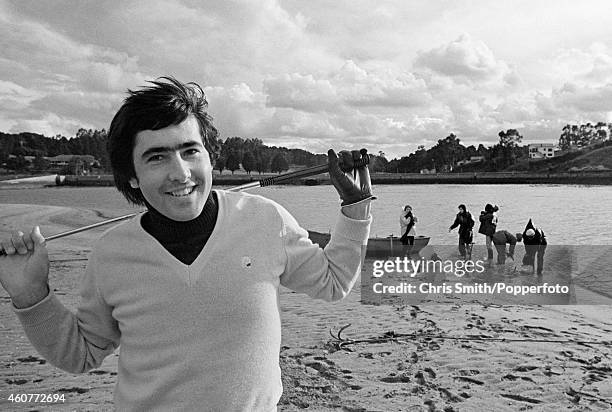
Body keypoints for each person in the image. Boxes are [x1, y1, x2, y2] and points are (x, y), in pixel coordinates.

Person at [0, 77, 374, 411]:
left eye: (190, 150)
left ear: (210, 157)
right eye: (157, 156)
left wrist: (355, 210)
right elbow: (80, 354)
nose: (180, 173)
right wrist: (31, 294)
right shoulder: (111, 253)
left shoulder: (266, 219)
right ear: (131, 177)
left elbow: (334, 282)